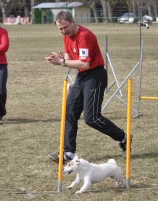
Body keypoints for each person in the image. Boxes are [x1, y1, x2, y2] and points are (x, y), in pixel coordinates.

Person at [44, 11, 129, 163]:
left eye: (65, 27)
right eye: (60, 29)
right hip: (82, 76)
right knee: (69, 111)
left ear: (73, 21)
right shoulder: (66, 36)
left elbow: (84, 63)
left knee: (92, 118)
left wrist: (62, 62)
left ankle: (123, 138)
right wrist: (61, 59)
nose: (63, 31)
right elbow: (70, 60)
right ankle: (68, 153)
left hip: (96, 75)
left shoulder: (85, 36)